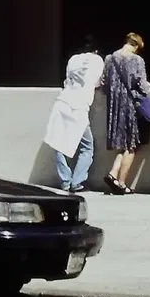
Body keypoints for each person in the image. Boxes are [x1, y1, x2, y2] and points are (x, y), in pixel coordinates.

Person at [45, 38, 105, 192]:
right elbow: (99, 83)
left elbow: (67, 80)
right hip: (79, 107)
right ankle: (77, 181)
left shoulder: (73, 60)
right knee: (87, 146)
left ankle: (65, 181)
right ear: (96, 51)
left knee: (59, 144)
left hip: (63, 102)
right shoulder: (97, 61)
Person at [102, 33, 150, 194]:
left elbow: (104, 84)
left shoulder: (109, 59)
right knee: (131, 145)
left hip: (114, 106)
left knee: (122, 145)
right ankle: (122, 183)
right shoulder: (137, 60)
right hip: (131, 105)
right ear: (137, 46)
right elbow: (143, 86)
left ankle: (112, 174)